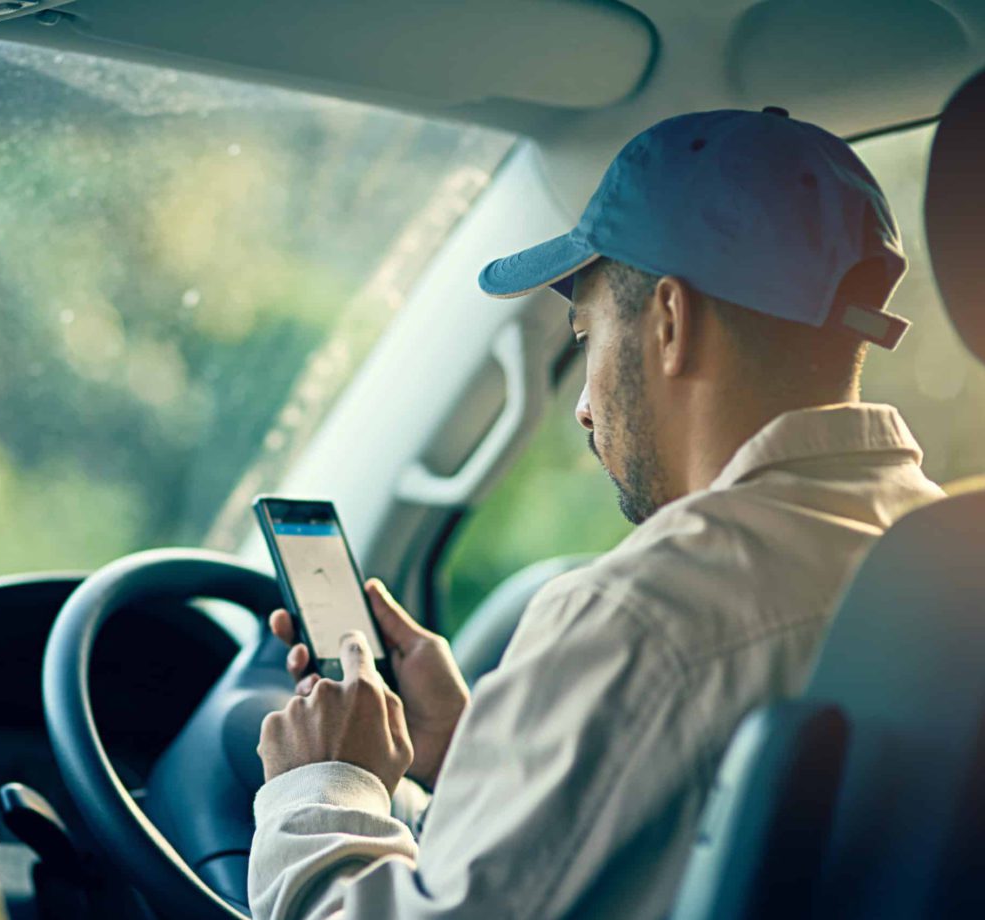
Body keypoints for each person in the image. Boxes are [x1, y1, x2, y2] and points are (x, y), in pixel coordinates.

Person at [248, 108, 945, 919]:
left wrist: (323, 788)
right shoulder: (943, 564)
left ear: (671, 322)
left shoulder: (644, 617)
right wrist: (483, 754)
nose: (583, 406)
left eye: (586, 336)